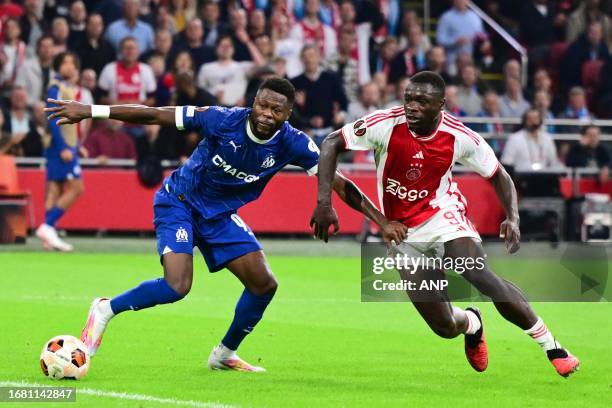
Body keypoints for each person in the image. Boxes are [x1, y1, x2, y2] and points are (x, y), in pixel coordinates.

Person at [45, 77, 385, 372]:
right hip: (179, 201)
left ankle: (224, 355)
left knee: (264, 284)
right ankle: (105, 308)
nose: (268, 114)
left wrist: (380, 221)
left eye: (276, 110)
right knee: (177, 286)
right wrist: (90, 110)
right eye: (263, 106)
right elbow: (155, 114)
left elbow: (340, 182)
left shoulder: (294, 143)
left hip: (219, 216)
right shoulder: (221, 119)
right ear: (253, 103)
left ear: (287, 113)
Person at [311, 71, 580, 378]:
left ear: (440, 105)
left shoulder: (459, 136)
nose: (411, 106)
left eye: (421, 101)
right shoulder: (384, 123)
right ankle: (472, 323)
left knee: (478, 274)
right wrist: (324, 203)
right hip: (403, 232)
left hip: (443, 216)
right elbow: (331, 143)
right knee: (444, 326)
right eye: (408, 98)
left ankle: (552, 346)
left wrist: (513, 216)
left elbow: (498, 175)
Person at [36, 52, 89, 252]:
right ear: (58, 66)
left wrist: (76, 146)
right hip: (60, 146)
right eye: (65, 62)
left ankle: (49, 237)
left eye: (72, 63)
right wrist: (64, 147)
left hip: (65, 145)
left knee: (56, 189)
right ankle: (48, 226)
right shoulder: (55, 86)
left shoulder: (65, 87)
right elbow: (52, 116)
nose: (69, 66)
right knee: (77, 188)